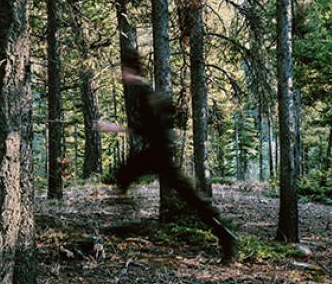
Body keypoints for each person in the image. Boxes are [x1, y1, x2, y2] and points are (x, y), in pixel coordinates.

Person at [94, 52, 237, 263]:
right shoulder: (146, 92)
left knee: (126, 176)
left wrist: (115, 128)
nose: (121, 75)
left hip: (158, 154)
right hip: (158, 153)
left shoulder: (145, 92)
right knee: (127, 177)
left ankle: (224, 236)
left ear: (130, 70)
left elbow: (151, 127)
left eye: (123, 70)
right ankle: (224, 235)